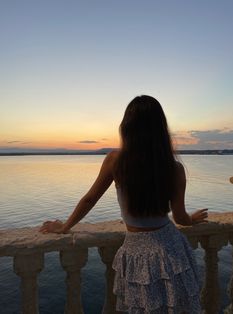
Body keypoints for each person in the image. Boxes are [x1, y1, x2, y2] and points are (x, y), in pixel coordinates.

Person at [40, 95, 208, 313]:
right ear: (161, 129)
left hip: (137, 252)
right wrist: (191, 220)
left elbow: (90, 199)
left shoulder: (115, 161)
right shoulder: (174, 168)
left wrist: (64, 227)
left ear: (127, 128)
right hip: (171, 250)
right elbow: (179, 217)